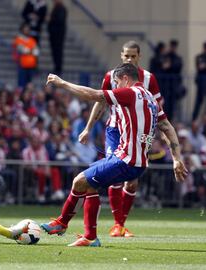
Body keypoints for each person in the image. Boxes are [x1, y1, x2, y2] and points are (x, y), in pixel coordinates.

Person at [41, 64, 188, 247]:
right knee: (87, 184)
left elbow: (94, 95)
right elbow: (167, 127)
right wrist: (176, 158)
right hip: (136, 162)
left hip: (125, 161)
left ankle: (74, 229)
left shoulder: (130, 93)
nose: (116, 87)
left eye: (117, 83)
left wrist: (61, 83)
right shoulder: (151, 98)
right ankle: (73, 229)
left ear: (125, 79)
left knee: (80, 180)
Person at [78, 41, 169, 237]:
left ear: (139, 57)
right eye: (126, 56)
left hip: (137, 132)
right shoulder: (111, 76)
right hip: (115, 130)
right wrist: (88, 128)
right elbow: (100, 101)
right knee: (114, 174)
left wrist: (160, 135)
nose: (129, 59)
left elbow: (157, 108)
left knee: (133, 181)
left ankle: (120, 224)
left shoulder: (149, 79)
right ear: (121, 56)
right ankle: (117, 225)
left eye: (133, 56)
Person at [12, 23, 39, 89]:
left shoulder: (32, 40)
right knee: (21, 84)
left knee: (29, 85)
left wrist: (28, 50)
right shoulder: (18, 39)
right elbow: (22, 50)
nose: (27, 31)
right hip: (22, 65)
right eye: (25, 29)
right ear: (22, 30)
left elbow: (37, 52)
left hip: (31, 65)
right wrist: (31, 50)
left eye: (28, 29)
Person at [47, 0, 67, 75]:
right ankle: (57, 67)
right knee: (55, 52)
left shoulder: (61, 8)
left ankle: (58, 68)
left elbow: (59, 20)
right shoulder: (56, 8)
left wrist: (51, 20)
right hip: (54, 34)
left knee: (58, 51)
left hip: (58, 35)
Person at [192, 41, 206, 121]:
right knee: (199, 101)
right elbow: (200, 67)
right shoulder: (200, 57)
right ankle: (195, 118)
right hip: (201, 81)